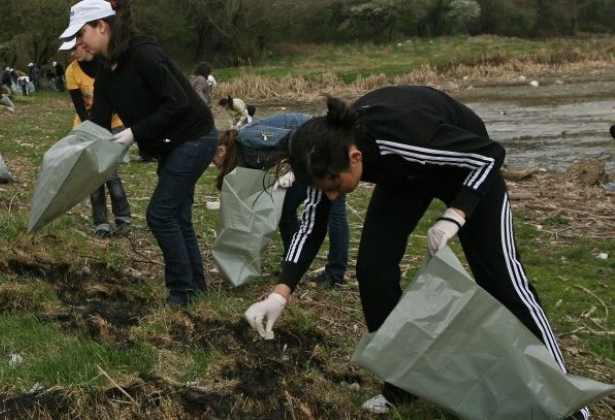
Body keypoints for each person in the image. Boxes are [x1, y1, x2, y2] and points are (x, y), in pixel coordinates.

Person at [243, 85, 589, 420]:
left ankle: (568, 400)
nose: (332, 196)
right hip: (407, 175)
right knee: (373, 270)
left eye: (335, 186)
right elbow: (312, 224)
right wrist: (280, 293)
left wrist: (456, 214)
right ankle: (401, 386)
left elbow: (489, 155)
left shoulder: (401, 134)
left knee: (502, 280)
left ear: (355, 157)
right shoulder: (321, 151)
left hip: (468, 172)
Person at [60, 0, 217, 307]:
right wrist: (71, 154)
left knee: (160, 214)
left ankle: (180, 292)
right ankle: (196, 288)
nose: (77, 43)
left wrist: (132, 134)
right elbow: (99, 125)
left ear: (102, 27)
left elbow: (178, 103)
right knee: (178, 217)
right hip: (171, 145)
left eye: (81, 34)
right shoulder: (107, 73)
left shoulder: (144, 55)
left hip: (196, 137)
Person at [213, 113, 349, 288]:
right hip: (307, 160)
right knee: (286, 208)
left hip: (324, 144)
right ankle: (293, 264)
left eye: (212, 159)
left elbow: (296, 138)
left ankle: (335, 273)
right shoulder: (241, 158)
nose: (213, 164)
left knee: (334, 210)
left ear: (221, 150)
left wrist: (293, 170)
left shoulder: (248, 137)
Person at [63, 38, 132, 238]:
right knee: (94, 176)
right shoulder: (71, 71)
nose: (72, 54)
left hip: (115, 124)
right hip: (88, 127)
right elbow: (80, 107)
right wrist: (92, 130)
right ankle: (101, 223)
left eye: (74, 48)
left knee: (110, 173)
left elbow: (119, 98)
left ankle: (122, 218)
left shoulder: (107, 65)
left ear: (84, 45)